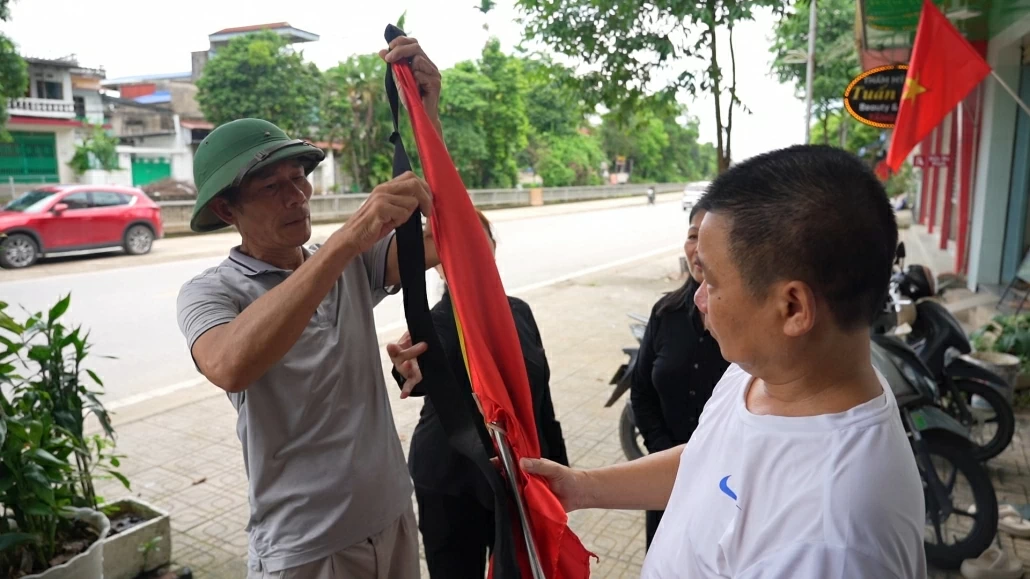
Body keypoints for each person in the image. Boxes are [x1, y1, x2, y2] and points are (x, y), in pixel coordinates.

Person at [521, 145, 927, 578]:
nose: (698, 299)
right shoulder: (761, 373)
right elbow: (707, 464)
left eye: (712, 282)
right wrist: (580, 488)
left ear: (792, 308)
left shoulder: (829, 542)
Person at [176, 37, 444, 579]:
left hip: (392, 514)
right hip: (305, 547)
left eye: (299, 177)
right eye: (273, 186)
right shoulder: (210, 293)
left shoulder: (346, 261)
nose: (297, 196)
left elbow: (451, 239)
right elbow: (231, 364)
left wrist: (426, 114)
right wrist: (347, 240)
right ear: (227, 208)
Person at [387, 210, 569, 578]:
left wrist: (560, 469)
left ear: (493, 248)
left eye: (476, 234)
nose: (469, 245)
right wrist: (405, 372)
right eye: (455, 239)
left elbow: (541, 400)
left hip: (518, 478)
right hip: (450, 483)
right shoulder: (432, 323)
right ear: (437, 264)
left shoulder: (520, 312)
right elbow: (416, 372)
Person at [631, 201, 729, 550]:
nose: (699, 248)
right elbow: (640, 392)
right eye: (692, 236)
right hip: (665, 481)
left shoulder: (748, 324)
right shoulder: (665, 312)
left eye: (709, 237)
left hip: (726, 487)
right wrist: (662, 451)